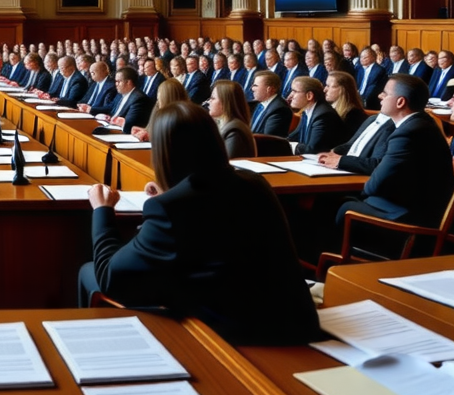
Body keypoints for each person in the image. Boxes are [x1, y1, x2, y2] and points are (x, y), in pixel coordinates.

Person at [77, 102, 318, 345]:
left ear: (163, 152)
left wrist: (102, 210)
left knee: (90, 271)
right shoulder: (255, 182)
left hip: (233, 335)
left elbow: (110, 277)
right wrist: (170, 192)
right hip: (293, 320)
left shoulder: (170, 207)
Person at [336, 75, 454, 228]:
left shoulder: (408, 133)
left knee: (339, 206)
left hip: (409, 218)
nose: (380, 96)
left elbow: (375, 184)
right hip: (413, 207)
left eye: (385, 93)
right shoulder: (421, 123)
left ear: (400, 102)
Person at [287, 76, 347, 155]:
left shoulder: (324, 115)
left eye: (295, 91)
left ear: (309, 96)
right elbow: (293, 136)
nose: (291, 96)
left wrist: (289, 145)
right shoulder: (306, 111)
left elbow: (312, 149)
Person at [208, 79, 256, 159]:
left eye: (213, 98)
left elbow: (227, 164)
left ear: (226, 102)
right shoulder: (224, 124)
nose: (209, 101)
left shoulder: (234, 130)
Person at [131, 77, 187, 142]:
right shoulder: (157, 108)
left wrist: (151, 136)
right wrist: (144, 131)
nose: (157, 102)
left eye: (160, 99)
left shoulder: (183, 117)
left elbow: (174, 141)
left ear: (167, 99)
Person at [248, 70, 292, 137]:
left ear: (269, 89)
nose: (252, 88)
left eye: (255, 85)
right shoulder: (258, 104)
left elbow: (268, 139)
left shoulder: (279, 110)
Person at [324, 70, 368, 135]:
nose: (325, 89)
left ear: (342, 89)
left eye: (329, 86)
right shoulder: (327, 108)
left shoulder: (354, 115)